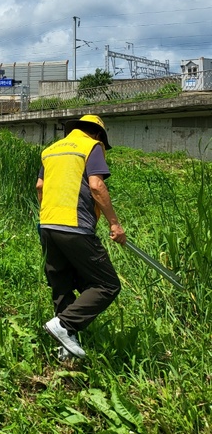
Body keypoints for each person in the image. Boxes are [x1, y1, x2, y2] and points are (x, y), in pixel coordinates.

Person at [36, 114, 126, 360]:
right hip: (75, 226)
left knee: (62, 285)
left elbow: (40, 187)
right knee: (107, 285)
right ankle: (64, 325)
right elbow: (96, 185)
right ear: (98, 134)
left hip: (48, 225)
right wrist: (114, 223)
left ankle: (65, 349)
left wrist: (48, 215)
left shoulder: (51, 150)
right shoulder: (91, 146)